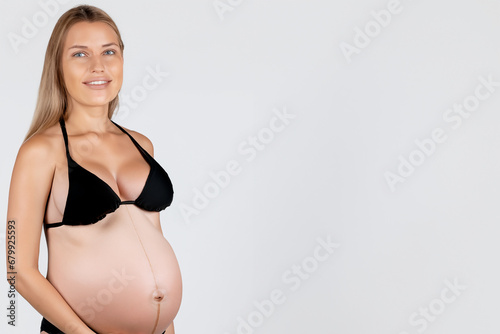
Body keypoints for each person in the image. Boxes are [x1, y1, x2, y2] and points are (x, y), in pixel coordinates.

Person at [5, 5, 182, 334]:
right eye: (80, 54)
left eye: (109, 51)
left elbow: (152, 242)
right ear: (58, 66)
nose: (98, 66)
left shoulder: (141, 144)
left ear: (122, 60)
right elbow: (17, 268)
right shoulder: (41, 151)